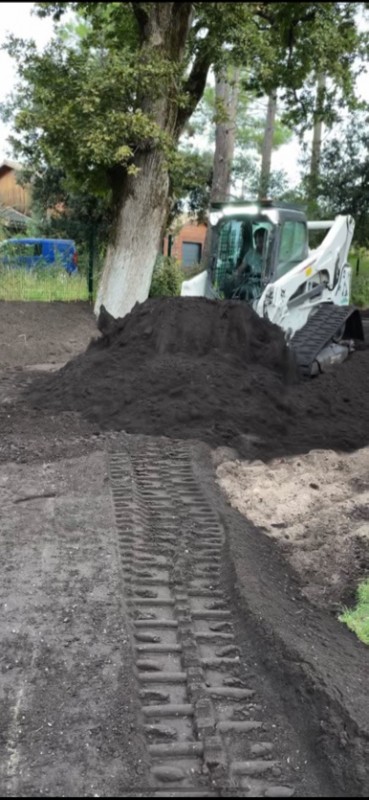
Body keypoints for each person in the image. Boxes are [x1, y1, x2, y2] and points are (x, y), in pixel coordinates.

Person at [221, 226, 267, 299]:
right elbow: (240, 270)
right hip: (253, 283)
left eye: (262, 242)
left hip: (266, 284)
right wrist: (235, 276)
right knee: (243, 291)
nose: (260, 245)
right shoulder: (250, 254)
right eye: (258, 242)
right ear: (255, 241)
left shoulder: (271, 254)